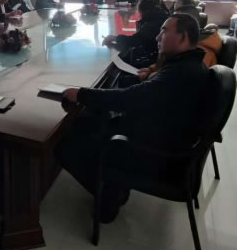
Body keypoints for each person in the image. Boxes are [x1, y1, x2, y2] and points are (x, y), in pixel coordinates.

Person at [58, 14, 209, 222]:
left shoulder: (182, 73)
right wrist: (151, 76)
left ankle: (110, 196)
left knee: (65, 144)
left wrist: (81, 94)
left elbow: (129, 99)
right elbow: (153, 93)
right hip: (162, 134)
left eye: (164, 31)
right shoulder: (190, 64)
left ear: (183, 38)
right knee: (90, 121)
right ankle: (113, 183)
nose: (157, 37)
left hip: (157, 153)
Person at [102, 0, 168, 52]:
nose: (139, 15)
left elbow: (134, 41)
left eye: (139, 12)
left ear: (144, 11)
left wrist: (114, 38)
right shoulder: (162, 17)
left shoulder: (152, 24)